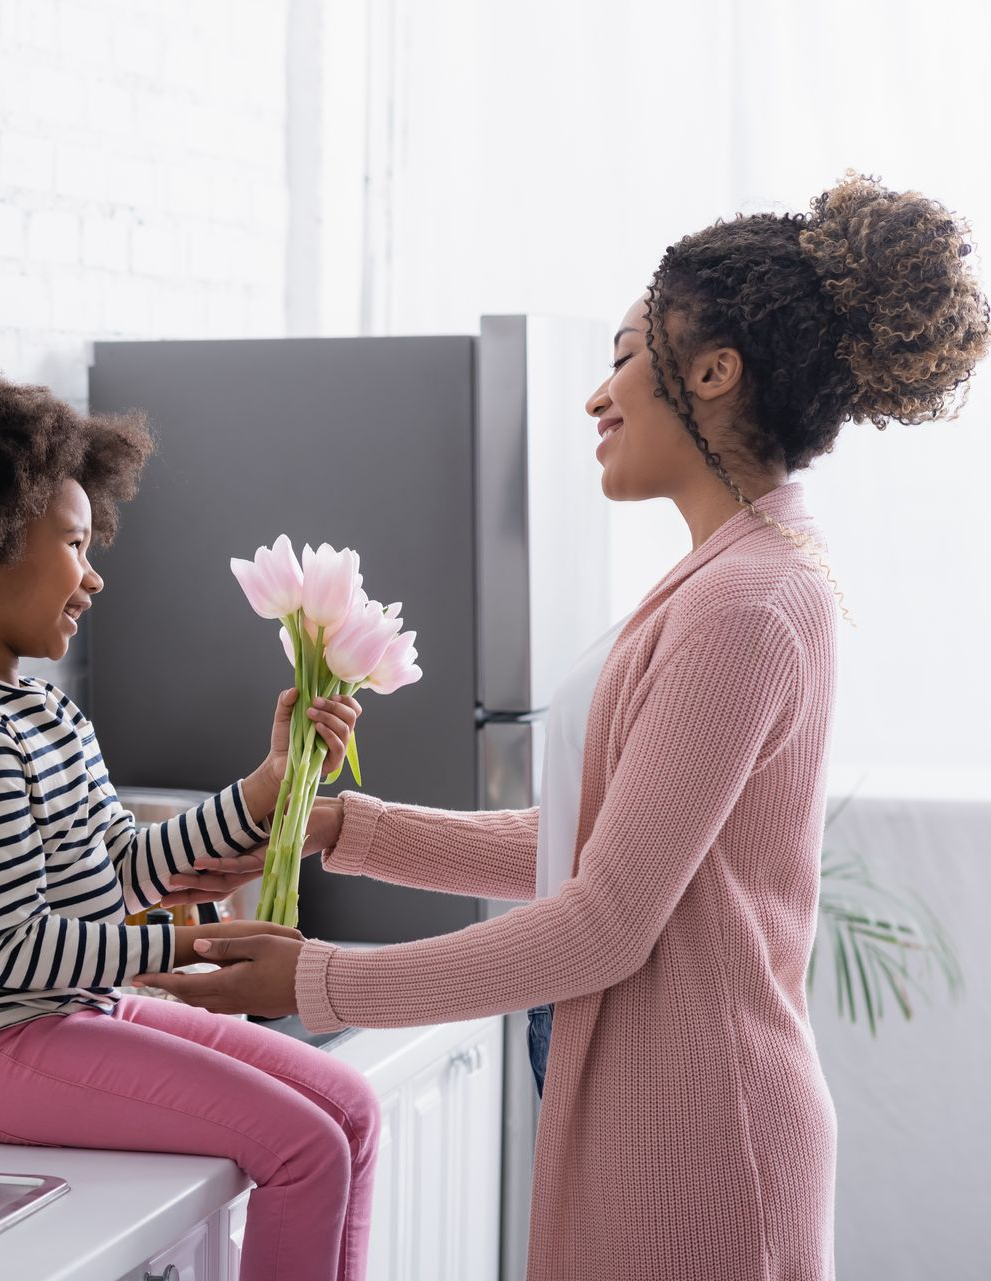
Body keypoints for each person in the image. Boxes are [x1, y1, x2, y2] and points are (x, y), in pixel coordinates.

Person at [139, 173, 991, 1280]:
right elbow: (585, 847)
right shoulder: (722, 579)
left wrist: (317, 980)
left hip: (704, 1143)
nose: (598, 396)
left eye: (625, 356)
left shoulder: (750, 603)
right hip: (655, 1111)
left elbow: (602, 922)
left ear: (713, 372)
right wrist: (340, 829)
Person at [0, 374, 378, 1281]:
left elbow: (121, 865)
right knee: (305, 1145)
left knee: (348, 1108)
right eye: (73, 542)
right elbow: (14, 953)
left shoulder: (41, 715)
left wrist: (264, 787)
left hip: (66, 1019)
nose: (95, 571)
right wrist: (185, 945)